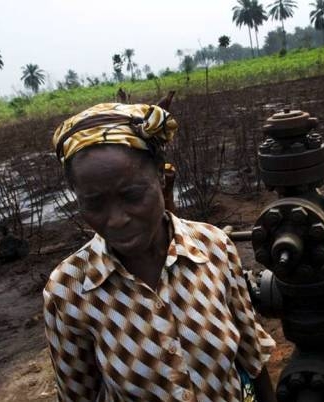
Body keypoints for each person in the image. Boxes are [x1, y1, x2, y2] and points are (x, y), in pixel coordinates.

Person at [45, 102, 276, 402]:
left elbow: (252, 358)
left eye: (132, 195)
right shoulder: (69, 290)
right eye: (95, 204)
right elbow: (78, 397)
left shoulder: (213, 247)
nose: (116, 219)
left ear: (161, 176)